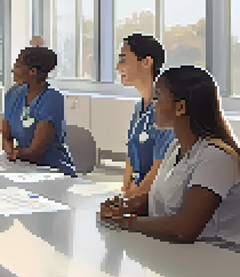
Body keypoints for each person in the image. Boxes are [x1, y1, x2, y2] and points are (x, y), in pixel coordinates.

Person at [99, 65, 240, 245]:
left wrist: (126, 222)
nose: (153, 105)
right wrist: (124, 206)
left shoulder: (216, 157)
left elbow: (183, 229)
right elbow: (161, 198)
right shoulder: (176, 147)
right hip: (178, 255)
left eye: (158, 97)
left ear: (180, 107)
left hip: (217, 260)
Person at [116, 34, 175, 199]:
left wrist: (130, 203)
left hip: (156, 200)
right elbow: (131, 155)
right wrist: (125, 194)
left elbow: (158, 172)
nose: (118, 68)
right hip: (138, 197)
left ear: (147, 62)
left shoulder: (166, 109)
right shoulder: (139, 108)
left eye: (123, 60)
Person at [2, 46, 76, 177]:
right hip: (22, 167)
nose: (13, 70)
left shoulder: (52, 98)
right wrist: (10, 153)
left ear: (33, 71)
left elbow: (35, 152)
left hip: (52, 171)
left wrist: (15, 154)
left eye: (18, 66)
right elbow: (6, 137)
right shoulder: (13, 95)